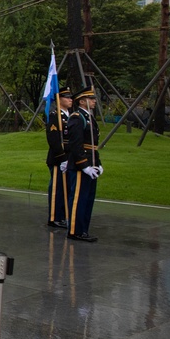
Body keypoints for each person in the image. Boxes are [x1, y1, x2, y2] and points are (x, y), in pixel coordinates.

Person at [66, 87, 102, 242]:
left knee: (88, 199)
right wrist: (84, 165)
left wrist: (98, 164)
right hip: (81, 165)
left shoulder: (89, 118)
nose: (94, 101)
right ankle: (74, 230)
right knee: (78, 199)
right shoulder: (77, 117)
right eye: (91, 98)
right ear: (82, 101)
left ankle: (83, 230)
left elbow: (93, 145)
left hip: (90, 163)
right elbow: (76, 145)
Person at [45, 87, 73, 229]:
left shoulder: (71, 116)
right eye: (67, 97)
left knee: (66, 188)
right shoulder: (55, 116)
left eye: (70, 97)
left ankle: (63, 215)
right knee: (57, 189)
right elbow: (53, 139)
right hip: (58, 158)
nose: (70, 99)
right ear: (59, 99)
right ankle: (54, 217)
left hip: (70, 158)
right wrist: (62, 157)